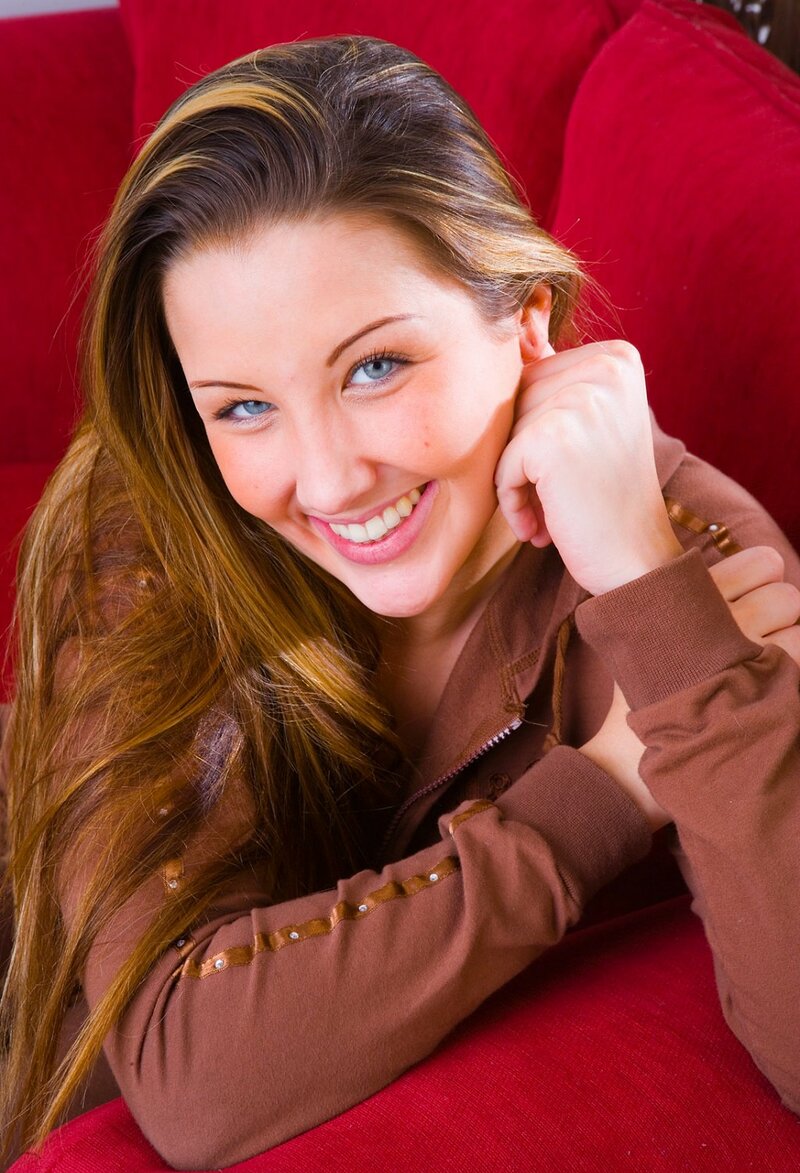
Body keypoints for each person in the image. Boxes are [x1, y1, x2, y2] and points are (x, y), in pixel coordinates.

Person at [1, 33, 799, 1170]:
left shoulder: (693, 568)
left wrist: (642, 581)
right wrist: (607, 790)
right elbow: (190, 1070)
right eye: (242, 407)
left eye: (374, 367)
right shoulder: (152, 524)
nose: (327, 482)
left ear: (525, 320)